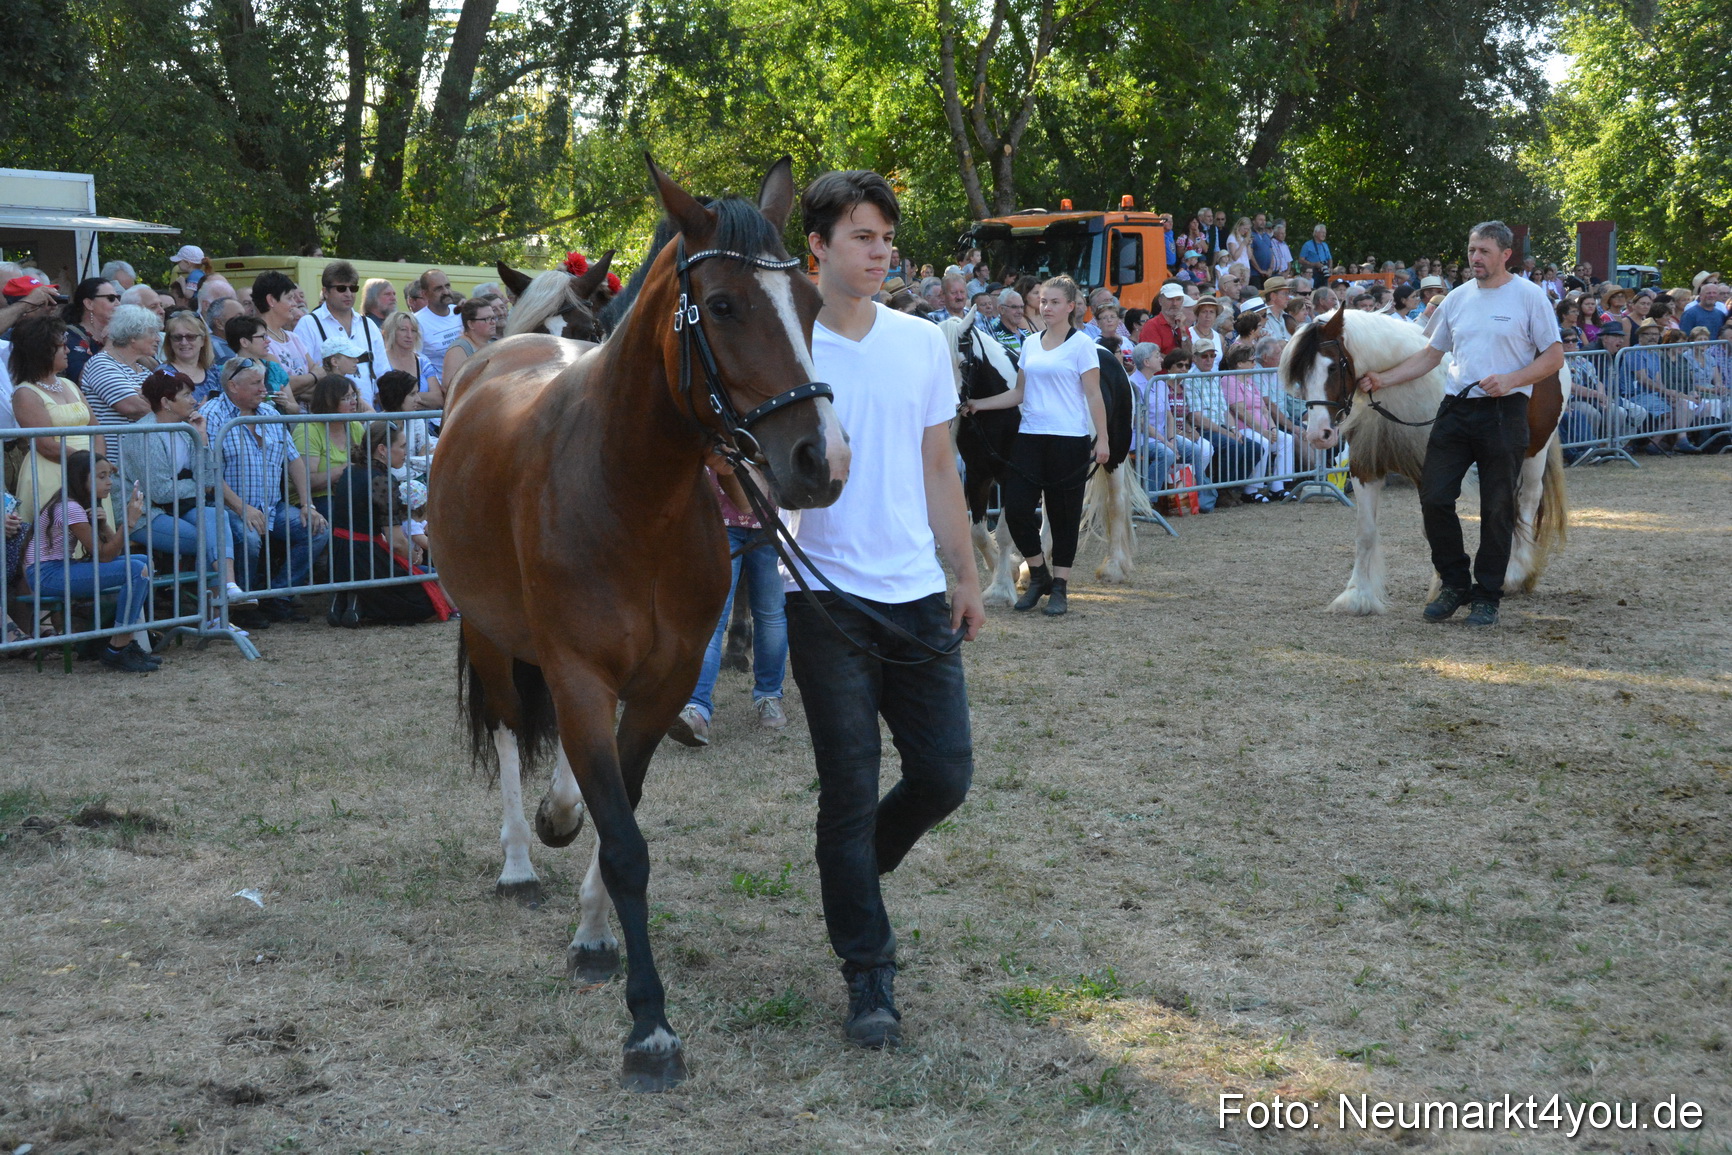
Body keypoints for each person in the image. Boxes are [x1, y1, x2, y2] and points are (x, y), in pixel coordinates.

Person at [787, 168, 984, 1051]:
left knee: (945, 774)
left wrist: (966, 573)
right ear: (818, 246)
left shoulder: (919, 341)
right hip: (821, 596)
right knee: (848, 785)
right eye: (861, 236)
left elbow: (940, 465)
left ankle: (859, 868)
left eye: (886, 236)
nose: (879, 251)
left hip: (913, 592)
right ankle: (869, 974)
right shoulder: (787, 344)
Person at [1358, 221, 1561, 627]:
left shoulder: (1529, 297)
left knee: (1497, 506)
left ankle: (1487, 595)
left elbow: (1553, 357)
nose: (1475, 258)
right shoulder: (1456, 299)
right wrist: (1383, 379)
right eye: (1472, 250)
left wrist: (1511, 380)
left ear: (1506, 255)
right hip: (1455, 408)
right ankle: (1454, 582)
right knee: (1434, 497)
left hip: (1504, 413)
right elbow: (1430, 356)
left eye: (1484, 251)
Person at [966, 275, 1107, 615]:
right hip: (1029, 437)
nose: (1047, 307)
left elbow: (1093, 394)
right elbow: (1018, 393)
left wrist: (1103, 438)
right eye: (1044, 301)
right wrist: (979, 404)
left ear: (1071, 307)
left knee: (1063, 516)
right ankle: (1039, 574)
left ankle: (1060, 586)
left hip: (1069, 439)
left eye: (1055, 302)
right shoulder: (1030, 344)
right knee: (1016, 510)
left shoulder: (1082, 345)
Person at [201, 355, 330, 624]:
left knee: (317, 529)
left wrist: (308, 504)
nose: (264, 388)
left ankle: (277, 596)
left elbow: (293, 459)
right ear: (233, 386)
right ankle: (242, 603)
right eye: (256, 383)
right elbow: (209, 473)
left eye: (263, 382)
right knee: (248, 538)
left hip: (272, 506)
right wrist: (242, 507)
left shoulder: (269, 412)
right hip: (228, 508)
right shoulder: (212, 415)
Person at [669, 470, 790, 744]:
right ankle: (696, 707)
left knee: (771, 615)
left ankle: (769, 695)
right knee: (711, 619)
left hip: (771, 520)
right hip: (717, 519)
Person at [21, 449, 162, 671]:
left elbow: (107, 552)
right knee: (136, 569)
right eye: (101, 477)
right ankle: (118, 647)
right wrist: (129, 522)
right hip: (46, 574)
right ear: (81, 479)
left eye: (109, 476)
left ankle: (125, 642)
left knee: (142, 561)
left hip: (58, 568)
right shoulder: (69, 508)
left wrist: (105, 525)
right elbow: (105, 555)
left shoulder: (76, 504)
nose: (109, 483)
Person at [125, 368, 247, 610]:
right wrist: (197, 486)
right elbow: (160, 491)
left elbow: (210, 478)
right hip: (144, 514)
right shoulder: (144, 433)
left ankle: (228, 588)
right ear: (165, 402)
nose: (194, 400)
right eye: (187, 395)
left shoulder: (188, 428)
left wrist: (201, 437)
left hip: (179, 506)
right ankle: (216, 610)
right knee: (209, 539)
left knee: (217, 516)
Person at [321, 423, 449, 626]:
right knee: (431, 602)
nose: (405, 453)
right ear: (382, 449)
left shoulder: (349, 472)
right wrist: (413, 555)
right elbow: (397, 542)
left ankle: (351, 596)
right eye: (402, 446)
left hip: (340, 558)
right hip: (365, 559)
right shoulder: (382, 481)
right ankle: (361, 601)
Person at [8, 315, 109, 525]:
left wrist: (98, 464)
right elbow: (46, 445)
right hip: (54, 474)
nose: (68, 350)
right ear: (41, 350)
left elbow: (96, 428)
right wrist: (87, 464)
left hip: (88, 472)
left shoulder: (69, 384)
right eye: (61, 346)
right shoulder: (26, 393)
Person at [294, 261, 387, 406]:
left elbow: (382, 377)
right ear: (325, 292)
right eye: (341, 288)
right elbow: (300, 385)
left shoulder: (368, 326)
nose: (349, 294)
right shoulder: (308, 324)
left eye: (353, 288)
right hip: (326, 419)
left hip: (366, 420)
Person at [79, 303, 159, 463]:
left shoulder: (144, 371)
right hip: (113, 465)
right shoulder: (101, 364)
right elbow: (135, 408)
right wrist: (159, 404)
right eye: (152, 332)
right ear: (132, 336)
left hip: (141, 463)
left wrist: (144, 396)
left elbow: (164, 404)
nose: (158, 338)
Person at [290, 373, 364, 516]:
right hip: (313, 500)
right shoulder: (308, 430)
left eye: (354, 396)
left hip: (346, 493)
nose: (354, 402)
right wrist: (345, 469)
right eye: (346, 398)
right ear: (329, 401)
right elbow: (307, 481)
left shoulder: (355, 425)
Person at [251, 272, 315, 408]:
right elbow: (281, 385)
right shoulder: (258, 340)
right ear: (271, 300)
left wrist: (298, 386)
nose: (294, 304)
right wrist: (313, 377)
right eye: (290, 298)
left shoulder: (294, 337)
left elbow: (320, 374)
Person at [381, 310, 445, 409]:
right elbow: (380, 398)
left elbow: (438, 399)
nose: (409, 335)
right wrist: (422, 399)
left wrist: (403, 400)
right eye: (403, 330)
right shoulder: (380, 361)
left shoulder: (422, 361)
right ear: (392, 332)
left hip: (426, 423)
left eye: (413, 330)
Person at [61, 278, 121, 383]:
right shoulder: (71, 336)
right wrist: (109, 344)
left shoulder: (118, 334)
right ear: (89, 304)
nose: (118, 304)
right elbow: (81, 378)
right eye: (111, 298)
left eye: (118, 298)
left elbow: (152, 368)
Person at [162, 309, 222, 404]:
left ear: (203, 340)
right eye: (177, 337)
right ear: (169, 342)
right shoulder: (165, 373)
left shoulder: (213, 371)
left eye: (190, 337)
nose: (184, 342)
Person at [441, 297, 496, 385]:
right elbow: (449, 386)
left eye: (493, 318)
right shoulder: (459, 349)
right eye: (487, 319)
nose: (493, 322)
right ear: (470, 324)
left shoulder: (494, 344)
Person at [412, 269, 462, 366]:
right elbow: (416, 360)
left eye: (447, 286)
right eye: (438, 289)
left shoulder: (460, 312)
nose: (446, 292)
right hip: (438, 380)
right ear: (425, 294)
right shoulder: (417, 322)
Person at [1136, 282, 1188, 352]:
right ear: (1160, 301)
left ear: (1182, 301)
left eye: (1178, 299)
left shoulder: (1183, 325)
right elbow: (1152, 356)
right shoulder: (1151, 325)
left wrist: (1183, 330)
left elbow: (1191, 354)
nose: (1174, 304)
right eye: (1170, 299)